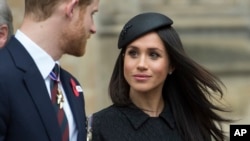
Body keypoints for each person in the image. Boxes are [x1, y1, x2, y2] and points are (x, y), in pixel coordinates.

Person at [90, 12, 230, 141]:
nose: (141, 64)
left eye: (153, 55)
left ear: (171, 65)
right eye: (133, 53)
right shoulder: (99, 126)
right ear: (123, 59)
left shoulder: (192, 123)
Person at [0, 0, 99, 140]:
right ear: (72, 8)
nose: (93, 28)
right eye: (92, 13)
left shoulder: (71, 86)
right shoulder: (4, 74)